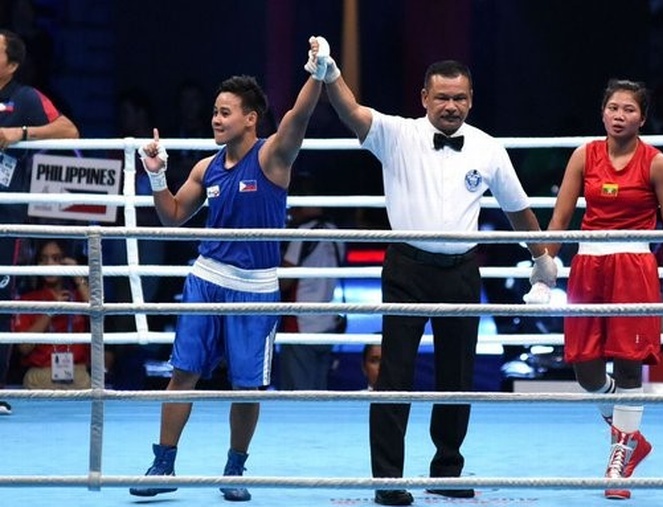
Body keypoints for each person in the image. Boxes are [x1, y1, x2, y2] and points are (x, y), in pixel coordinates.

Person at [306, 36, 556, 506]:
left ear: (471, 99)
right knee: (394, 374)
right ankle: (388, 480)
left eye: (459, 97)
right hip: (406, 267)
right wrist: (331, 73)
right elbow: (353, 112)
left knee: (457, 376)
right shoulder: (397, 134)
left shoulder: (487, 148)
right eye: (442, 97)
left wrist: (541, 256)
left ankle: (447, 471)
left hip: (461, 271)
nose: (451, 106)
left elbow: (519, 210)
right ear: (424, 98)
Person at [128, 71, 323, 502]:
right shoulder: (206, 166)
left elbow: (299, 115)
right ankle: (163, 465)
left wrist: (319, 73)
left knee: (247, 385)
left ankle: (235, 468)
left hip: (255, 288)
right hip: (207, 278)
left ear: (251, 118)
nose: (215, 120)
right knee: (183, 374)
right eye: (215, 112)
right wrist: (157, 176)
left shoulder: (273, 156)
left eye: (224, 112)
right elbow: (173, 215)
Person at [544, 79, 663, 500]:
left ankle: (619, 458)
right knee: (585, 368)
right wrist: (546, 266)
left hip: (634, 265)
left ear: (642, 118)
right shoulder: (584, 155)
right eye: (613, 107)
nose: (619, 115)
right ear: (603, 112)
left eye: (629, 109)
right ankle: (629, 435)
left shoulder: (658, 164)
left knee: (629, 364)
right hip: (589, 264)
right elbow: (560, 219)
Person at [0, 29, 79, 415]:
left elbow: (69, 131)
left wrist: (21, 133)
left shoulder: (24, 98)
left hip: (5, 219)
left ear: (12, 64)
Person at [278, 176, 345, 390]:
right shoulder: (336, 233)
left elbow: (284, 282)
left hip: (301, 324)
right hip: (327, 324)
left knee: (297, 396)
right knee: (319, 392)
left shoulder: (302, 233)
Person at [11, 239, 90, 389]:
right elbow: (24, 347)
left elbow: (99, 312)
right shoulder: (27, 300)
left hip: (78, 375)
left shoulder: (79, 296)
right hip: (40, 376)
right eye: (43, 259)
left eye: (56, 258)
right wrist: (50, 312)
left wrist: (78, 275)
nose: (49, 264)